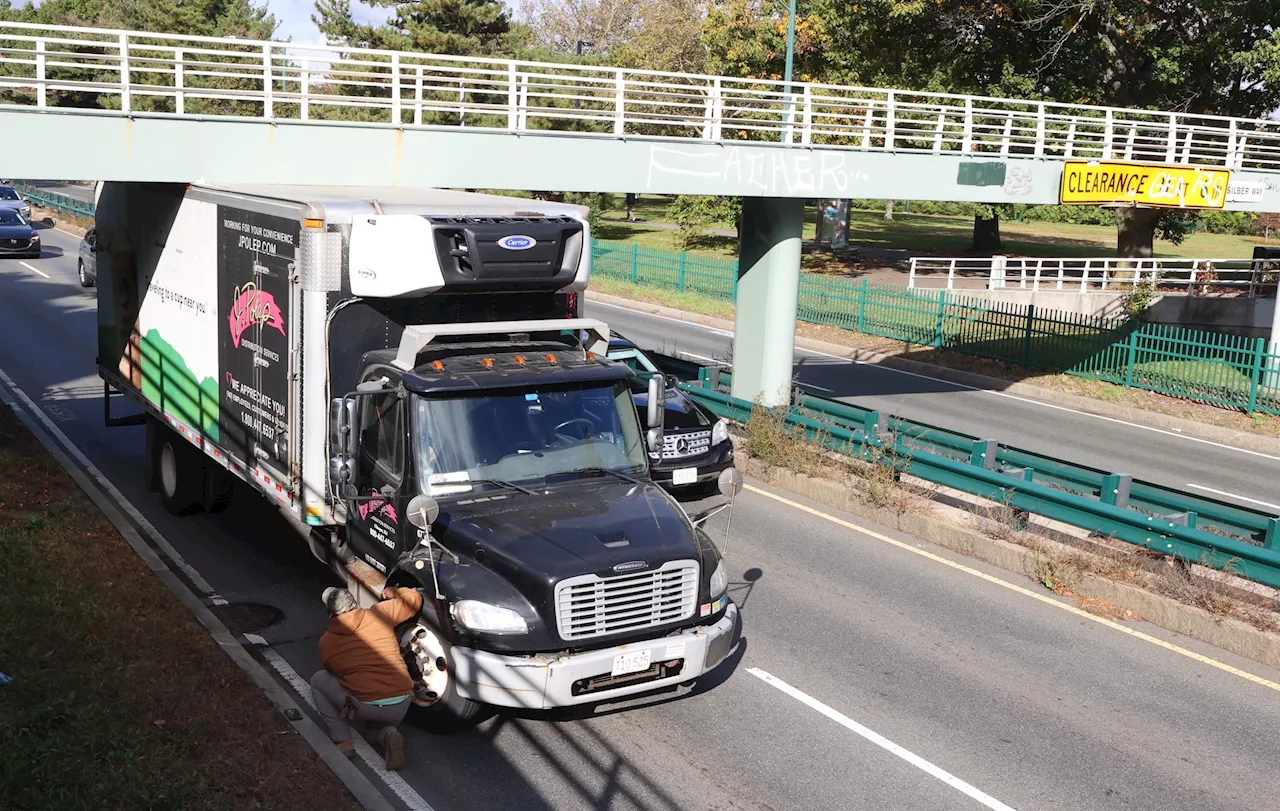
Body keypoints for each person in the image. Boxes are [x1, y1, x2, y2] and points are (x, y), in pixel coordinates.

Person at [309, 585, 424, 771]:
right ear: (354, 603)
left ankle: (343, 741)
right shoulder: (380, 613)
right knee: (373, 731)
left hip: (366, 705)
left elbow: (335, 671)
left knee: (318, 680)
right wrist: (396, 592)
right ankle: (388, 734)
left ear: (330, 613)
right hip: (402, 701)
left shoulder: (327, 642)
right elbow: (413, 600)